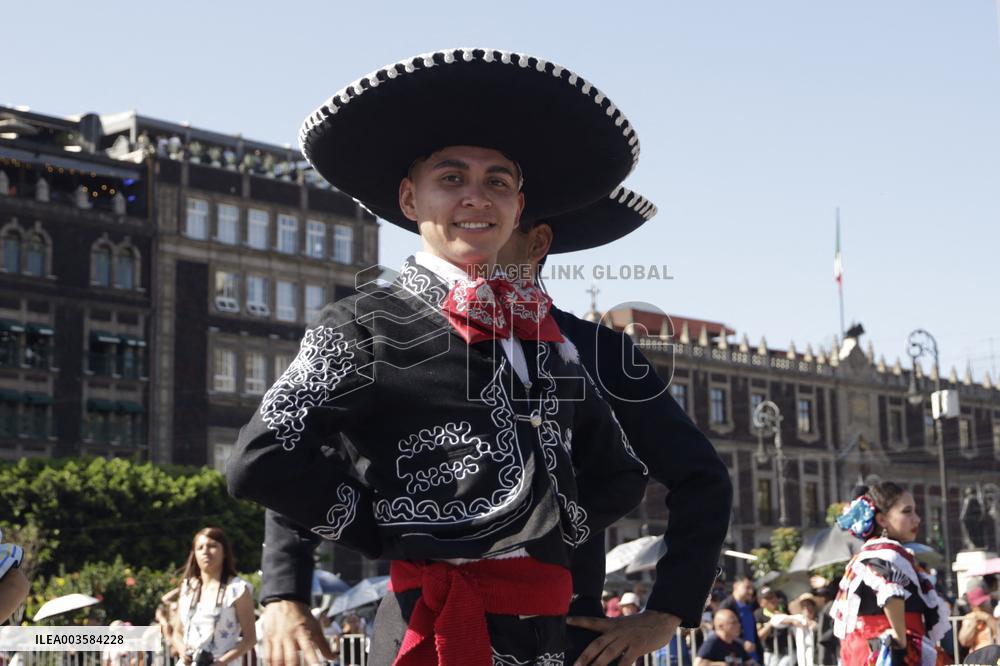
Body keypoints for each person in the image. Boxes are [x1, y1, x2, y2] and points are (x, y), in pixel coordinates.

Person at [228, 48, 651, 666]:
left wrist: (551, 530)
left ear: (516, 206)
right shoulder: (362, 326)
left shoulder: (544, 339)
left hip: (549, 640)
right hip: (429, 629)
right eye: (452, 178)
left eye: (497, 182)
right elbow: (260, 461)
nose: (477, 197)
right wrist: (386, 527)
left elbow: (621, 472)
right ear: (409, 199)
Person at [257, 187, 733, 666]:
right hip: (418, 617)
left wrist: (667, 611)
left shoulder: (598, 352)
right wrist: (285, 591)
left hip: (565, 631)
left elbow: (700, 478)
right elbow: (304, 450)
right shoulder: (396, 335)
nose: (474, 220)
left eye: (498, 210)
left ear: (534, 238)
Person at [829, 483, 949, 666]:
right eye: (907, 512)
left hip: (877, 648)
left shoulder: (881, 553)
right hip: (884, 652)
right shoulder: (883, 552)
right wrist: (901, 638)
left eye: (915, 511)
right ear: (882, 519)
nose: (917, 519)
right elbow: (889, 591)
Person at [173, 527, 256, 666]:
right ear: (194, 554)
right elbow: (177, 633)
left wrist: (221, 662)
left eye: (212, 546)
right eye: (200, 547)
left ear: (224, 552)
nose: (205, 551)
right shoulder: (188, 588)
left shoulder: (237, 589)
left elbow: (250, 639)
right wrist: (183, 652)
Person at [721, 578, 762, 663]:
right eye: (747, 587)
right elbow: (721, 630)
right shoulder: (727, 606)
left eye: (752, 588)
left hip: (754, 657)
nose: (750, 591)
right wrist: (742, 643)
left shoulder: (751, 606)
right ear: (735, 587)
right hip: (736, 656)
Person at [754, 587, 794, 666]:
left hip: (788, 650)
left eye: (773, 596)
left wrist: (784, 617)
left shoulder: (785, 608)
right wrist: (771, 623)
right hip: (770, 652)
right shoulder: (758, 614)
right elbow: (759, 636)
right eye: (767, 598)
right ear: (760, 602)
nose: (772, 600)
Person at [957, 587, 997, 653]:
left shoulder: (990, 614)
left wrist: (987, 618)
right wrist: (973, 624)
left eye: (984, 603)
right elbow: (964, 642)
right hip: (978, 656)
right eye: (980, 604)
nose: (983, 605)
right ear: (972, 606)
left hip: (994, 654)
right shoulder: (969, 618)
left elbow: (997, 632)